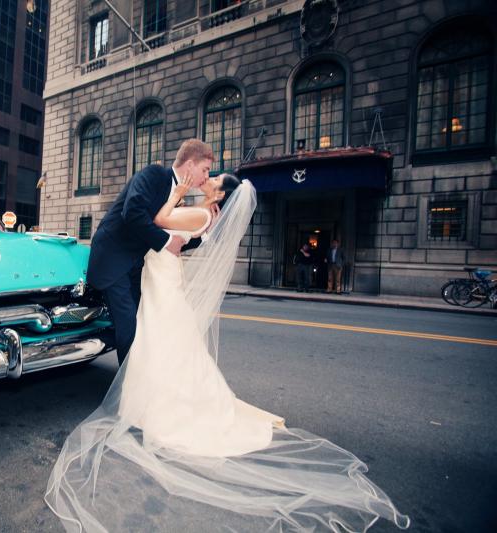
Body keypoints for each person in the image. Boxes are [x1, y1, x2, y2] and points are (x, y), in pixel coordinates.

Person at [46, 178, 410, 532]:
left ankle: (157, 404)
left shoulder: (200, 214)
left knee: (163, 343)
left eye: (214, 179)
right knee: (163, 345)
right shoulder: (202, 214)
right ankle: (150, 396)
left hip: (164, 285)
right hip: (160, 280)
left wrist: (178, 193)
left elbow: (156, 222)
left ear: (220, 194)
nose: (209, 178)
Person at [87, 139, 215, 366]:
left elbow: (176, 238)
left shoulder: (178, 195)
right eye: (205, 169)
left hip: (136, 264)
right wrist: (166, 241)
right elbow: (133, 212)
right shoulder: (154, 174)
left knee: (140, 321)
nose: (206, 176)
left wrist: (204, 234)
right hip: (113, 259)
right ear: (190, 165)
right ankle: (129, 390)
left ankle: (139, 380)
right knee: (129, 323)